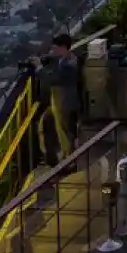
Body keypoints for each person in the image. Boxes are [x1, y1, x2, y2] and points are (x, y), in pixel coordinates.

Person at [31, 34, 80, 164]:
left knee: (65, 132)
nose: (54, 51)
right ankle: (66, 157)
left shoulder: (68, 65)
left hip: (65, 103)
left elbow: (53, 79)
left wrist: (39, 67)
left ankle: (70, 161)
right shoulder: (67, 59)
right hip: (61, 102)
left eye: (55, 48)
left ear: (64, 47)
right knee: (59, 129)